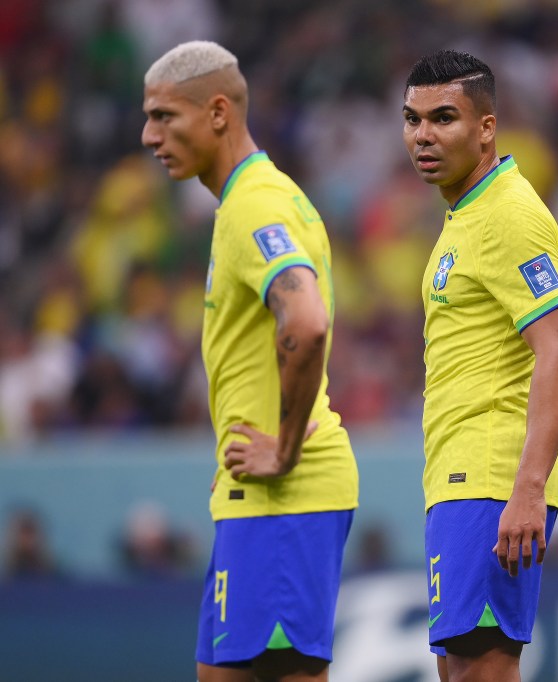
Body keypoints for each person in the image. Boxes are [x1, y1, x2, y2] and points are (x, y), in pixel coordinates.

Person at [142, 41, 359, 682]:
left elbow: (308, 319)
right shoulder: (251, 200)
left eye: (163, 117)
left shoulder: (255, 206)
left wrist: (284, 448)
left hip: (284, 496)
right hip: (253, 495)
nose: (149, 135)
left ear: (216, 112)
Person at [402, 49, 558, 682]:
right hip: (459, 473)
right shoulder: (465, 214)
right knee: (461, 670)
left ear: (486, 127)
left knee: (483, 670)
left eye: (443, 117)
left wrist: (527, 490)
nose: (423, 135)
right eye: (413, 119)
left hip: (491, 475)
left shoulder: (510, 214)